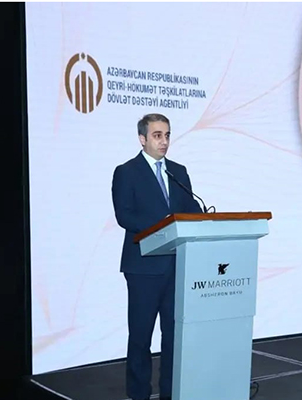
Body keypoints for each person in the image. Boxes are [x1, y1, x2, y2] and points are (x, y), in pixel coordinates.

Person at [111, 113, 202, 400]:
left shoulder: (178, 172)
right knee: (141, 337)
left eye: (167, 135)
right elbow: (124, 215)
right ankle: (138, 394)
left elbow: (192, 209)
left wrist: (199, 218)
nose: (164, 141)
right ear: (143, 139)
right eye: (157, 135)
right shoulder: (127, 172)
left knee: (173, 336)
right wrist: (162, 225)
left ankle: (170, 393)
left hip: (176, 266)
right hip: (143, 268)